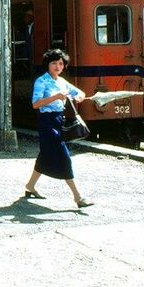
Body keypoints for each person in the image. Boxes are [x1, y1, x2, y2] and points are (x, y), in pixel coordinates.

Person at [25, 48, 93, 208]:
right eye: (54, 63)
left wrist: (79, 96)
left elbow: (80, 92)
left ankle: (30, 186)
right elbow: (35, 104)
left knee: (46, 155)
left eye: (60, 63)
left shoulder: (61, 81)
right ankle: (78, 197)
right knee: (64, 156)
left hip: (59, 121)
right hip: (47, 122)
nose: (57, 66)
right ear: (48, 65)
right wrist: (56, 97)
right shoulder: (41, 81)